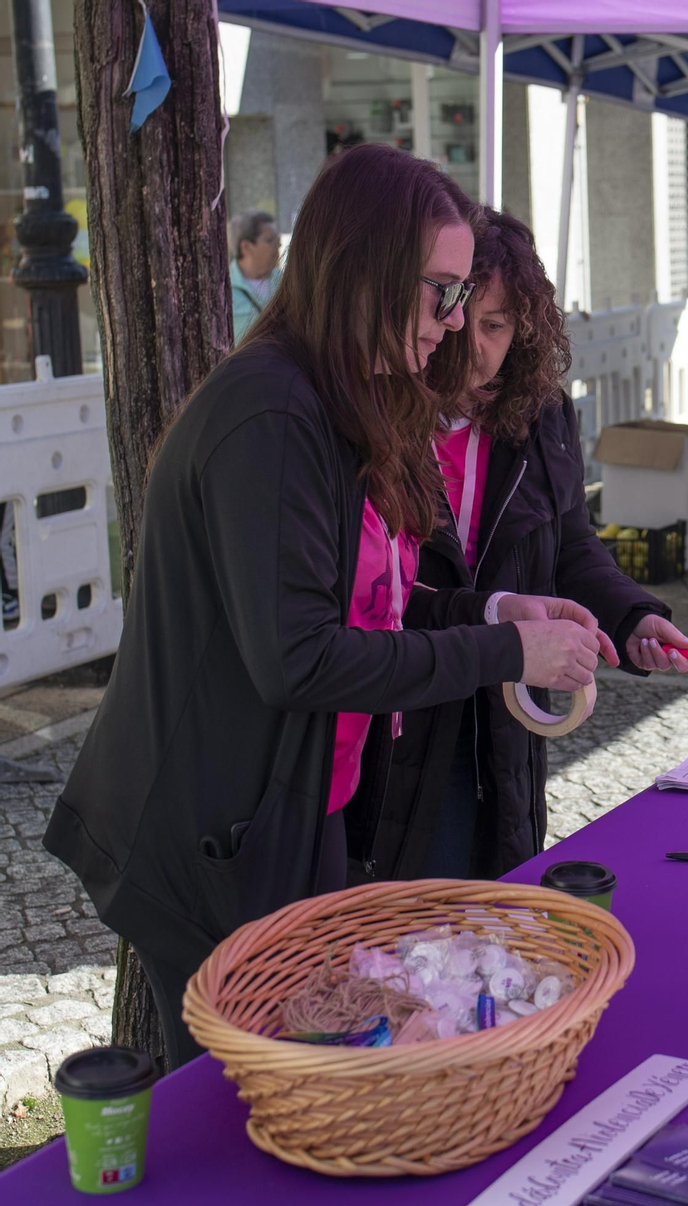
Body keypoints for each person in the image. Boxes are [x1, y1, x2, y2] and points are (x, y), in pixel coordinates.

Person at [42, 144, 615, 1070]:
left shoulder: (334, 397)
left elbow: (372, 607)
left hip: (274, 823)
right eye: (441, 292)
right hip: (204, 838)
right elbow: (301, 656)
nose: (457, 324)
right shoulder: (271, 414)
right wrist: (505, 656)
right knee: (249, 1111)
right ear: (367, 269)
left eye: (466, 297)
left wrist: (498, 611)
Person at [356, 210, 688, 881]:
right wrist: (493, 617)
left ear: (525, 329)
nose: (476, 345)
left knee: (499, 900)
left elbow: (573, 547)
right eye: (466, 317)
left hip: (507, 718)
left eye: (498, 325)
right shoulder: (376, 414)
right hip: (404, 714)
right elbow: (377, 592)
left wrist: (631, 618)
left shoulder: (543, 413)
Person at [228, 209, 283, 341]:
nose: (279, 245)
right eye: (270, 240)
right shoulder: (225, 289)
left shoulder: (284, 281)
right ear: (246, 247)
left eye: (278, 239)